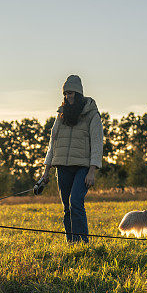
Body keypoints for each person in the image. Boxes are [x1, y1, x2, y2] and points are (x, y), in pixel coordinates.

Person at [39, 75, 104, 243]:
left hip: (83, 167)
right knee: (67, 207)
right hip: (62, 167)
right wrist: (46, 171)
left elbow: (97, 144)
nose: (68, 96)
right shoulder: (61, 116)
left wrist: (92, 171)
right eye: (66, 93)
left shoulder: (92, 115)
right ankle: (71, 243)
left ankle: (82, 243)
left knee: (75, 202)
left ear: (79, 93)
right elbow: (52, 143)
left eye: (71, 93)